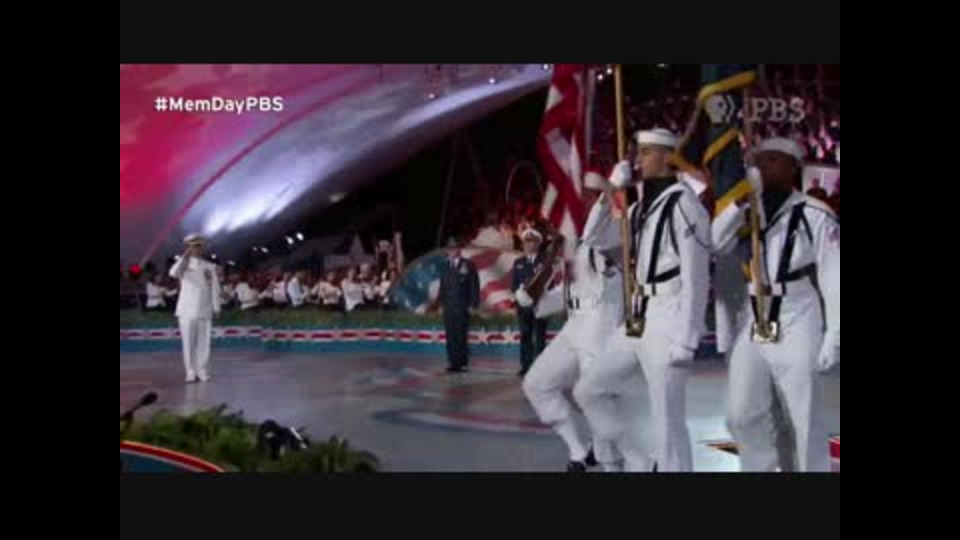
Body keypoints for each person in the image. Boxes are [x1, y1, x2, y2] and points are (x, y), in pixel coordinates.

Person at [574, 128, 712, 472]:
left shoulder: (684, 205)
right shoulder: (639, 209)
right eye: (640, 151)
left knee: (667, 419)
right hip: (639, 316)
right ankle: (639, 461)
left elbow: (696, 275)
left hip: (669, 313)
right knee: (589, 390)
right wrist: (609, 191)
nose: (638, 159)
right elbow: (592, 237)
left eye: (647, 152)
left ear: (667, 157)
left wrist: (687, 336)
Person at [713, 137, 839, 472]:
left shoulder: (814, 213)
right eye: (758, 160)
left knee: (804, 412)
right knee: (741, 412)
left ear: (792, 167)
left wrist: (834, 335)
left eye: (772, 160)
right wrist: (740, 203)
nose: (762, 167)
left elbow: (833, 275)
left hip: (796, 312)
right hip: (755, 315)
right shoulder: (749, 211)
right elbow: (717, 242)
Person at [521, 173, 646, 472]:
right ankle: (579, 451)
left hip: (600, 325)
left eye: (583, 197)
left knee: (597, 397)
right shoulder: (571, 245)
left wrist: (611, 190)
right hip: (575, 325)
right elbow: (563, 293)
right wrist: (540, 284)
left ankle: (630, 461)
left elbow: (607, 239)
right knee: (537, 384)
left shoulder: (612, 233)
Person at [168, 234, 221, 383]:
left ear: (202, 248)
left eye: (198, 246)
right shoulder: (183, 264)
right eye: (192, 246)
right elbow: (173, 273)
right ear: (188, 247)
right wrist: (184, 256)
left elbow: (215, 287)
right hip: (187, 309)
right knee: (188, 342)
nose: (196, 249)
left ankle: (201, 370)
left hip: (204, 308)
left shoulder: (209, 266)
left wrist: (216, 306)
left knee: (204, 342)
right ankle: (190, 371)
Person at [512, 228, 549, 377]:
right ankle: (525, 365)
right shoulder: (518, 262)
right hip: (523, 307)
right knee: (525, 335)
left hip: (540, 305)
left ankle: (540, 368)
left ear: (538, 244)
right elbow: (514, 284)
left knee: (539, 337)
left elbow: (549, 284)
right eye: (526, 242)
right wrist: (518, 294)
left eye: (532, 242)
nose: (529, 245)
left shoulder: (544, 262)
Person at [438, 243, 480, 373]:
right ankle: (452, 362)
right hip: (448, 306)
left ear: (459, 249)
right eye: (449, 249)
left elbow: (474, 285)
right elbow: (443, 287)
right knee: (450, 335)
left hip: (462, 305)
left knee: (461, 334)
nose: (452, 251)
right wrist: (441, 304)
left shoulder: (468, 264)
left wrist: (473, 304)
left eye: (454, 248)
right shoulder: (445, 265)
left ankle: (462, 363)